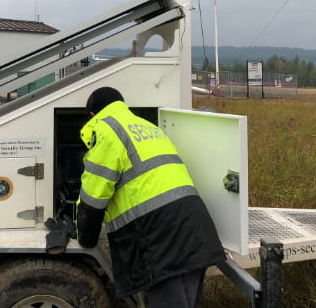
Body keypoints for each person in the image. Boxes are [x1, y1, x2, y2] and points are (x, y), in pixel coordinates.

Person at [76, 87, 226, 307]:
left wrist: (84, 236)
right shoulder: (146, 126)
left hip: (166, 237)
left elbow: (94, 195)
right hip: (192, 228)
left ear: (92, 115)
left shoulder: (107, 130)